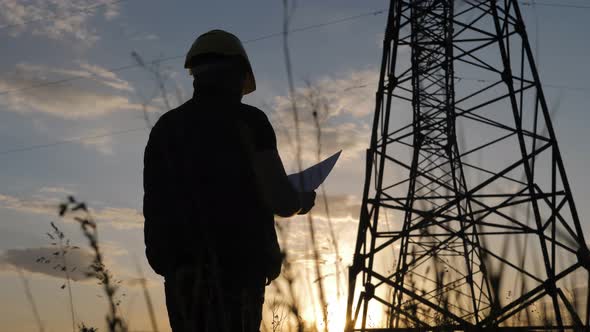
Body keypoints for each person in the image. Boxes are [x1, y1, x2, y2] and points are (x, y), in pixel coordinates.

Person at [143, 29, 316, 332]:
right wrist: (300, 200)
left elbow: (154, 202)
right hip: (239, 272)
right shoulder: (249, 121)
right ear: (238, 73)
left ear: (195, 73)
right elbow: (280, 201)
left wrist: (168, 263)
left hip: (181, 274)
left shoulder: (165, 127)